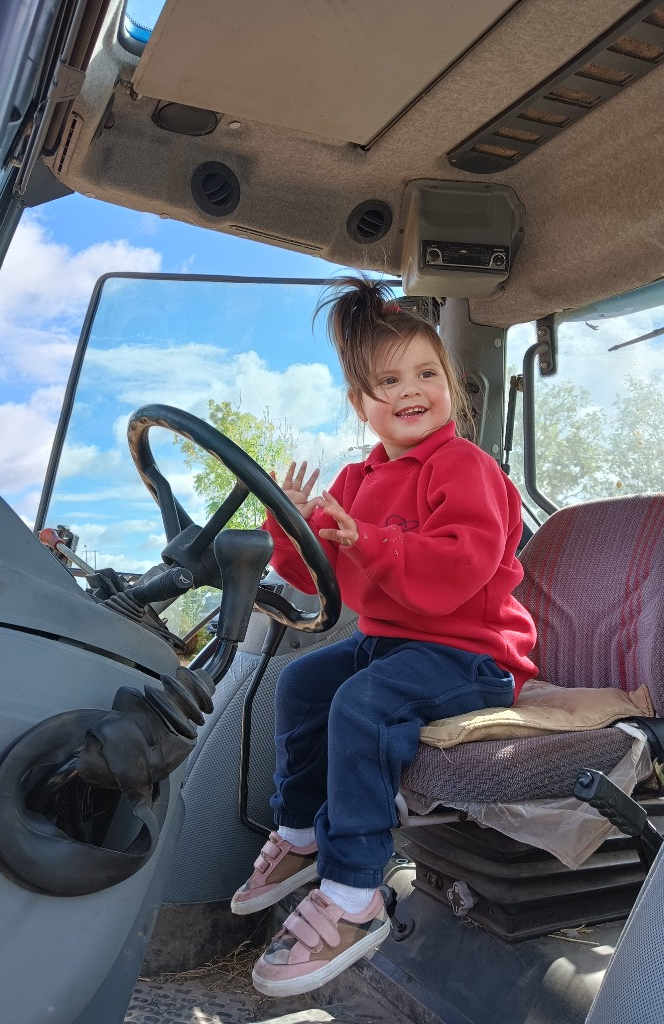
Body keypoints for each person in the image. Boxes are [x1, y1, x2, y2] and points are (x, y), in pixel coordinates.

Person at [232, 275, 538, 998]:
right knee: (304, 683)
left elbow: (458, 571)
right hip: (395, 643)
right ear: (360, 404)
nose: (410, 391)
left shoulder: (466, 468)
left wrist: (364, 537)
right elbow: (314, 577)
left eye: (425, 374)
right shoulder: (359, 477)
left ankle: (352, 892)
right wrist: (296, 519)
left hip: (471, 653)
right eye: (387, 380)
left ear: (450, 388)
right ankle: (302, 832)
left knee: (361, 705)